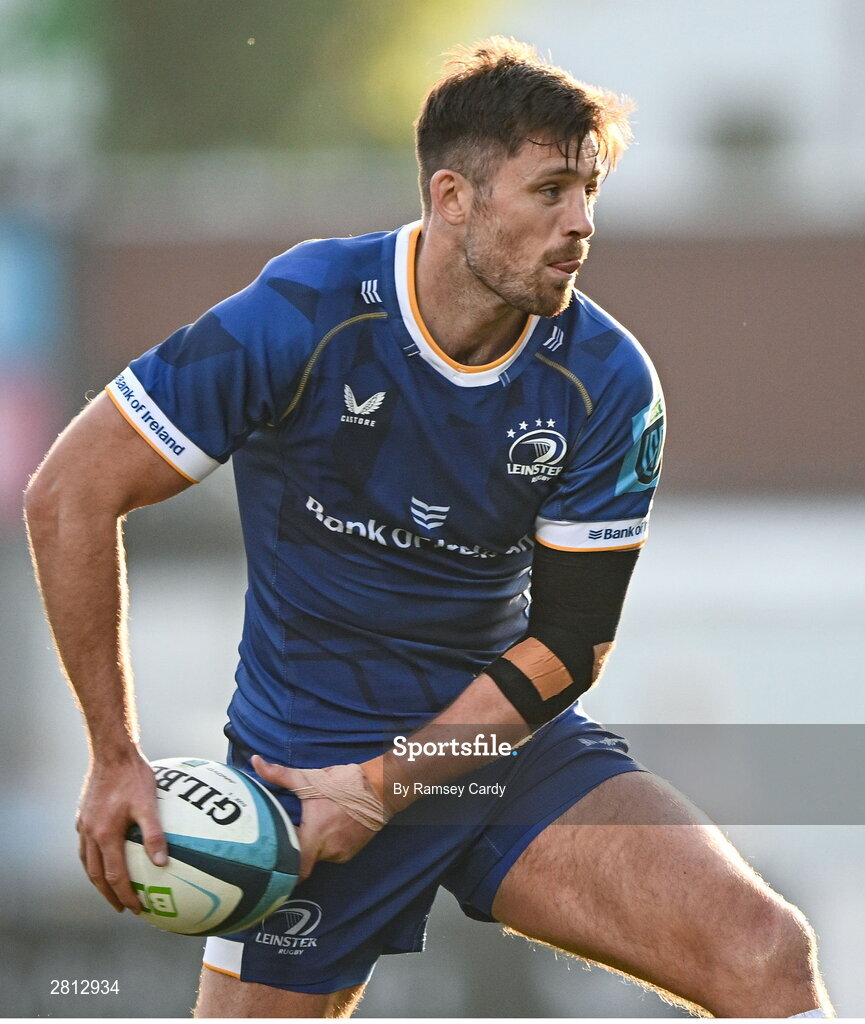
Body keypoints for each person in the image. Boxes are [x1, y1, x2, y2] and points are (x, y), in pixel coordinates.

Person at [25, 37, 833, 1019]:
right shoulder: (304, 313)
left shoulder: (607, 383)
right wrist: (114, 755)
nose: (580, 223)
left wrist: (387, 781)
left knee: (764, 954)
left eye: (590, 191)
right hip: (300, 778)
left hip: (492, 755)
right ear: (454, 197)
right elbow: (67, 495)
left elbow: (570, 643)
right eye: (549, 191)